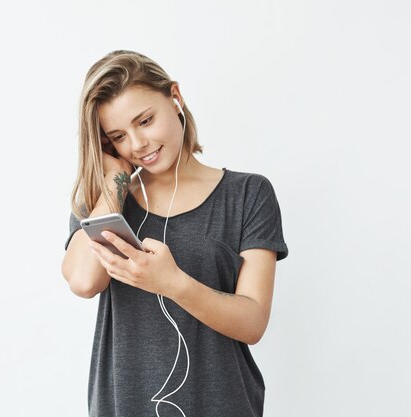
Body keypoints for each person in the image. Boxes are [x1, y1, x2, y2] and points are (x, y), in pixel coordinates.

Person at [61, 49, 289, 417]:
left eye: (145, 120)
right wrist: (113, 182)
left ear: (175, 98)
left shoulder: (248, 194)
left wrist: (172, 282)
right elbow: (85, 281)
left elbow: (253, 322)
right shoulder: (104, 198)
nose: (137, 144)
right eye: (118, 136)